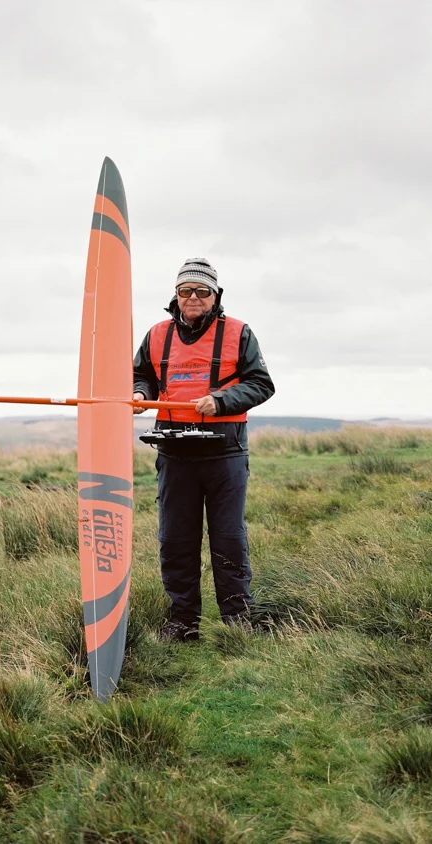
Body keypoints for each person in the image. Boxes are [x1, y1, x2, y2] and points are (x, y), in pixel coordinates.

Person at [132, 257, 275, 642]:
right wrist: (140, 393)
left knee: (228, 538)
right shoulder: (156, 334)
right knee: (176, 539)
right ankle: (182, 622)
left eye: (201, 291)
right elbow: (141, 373)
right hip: (174, 452)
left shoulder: (240, 333)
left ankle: (237, 622)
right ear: (175, 295)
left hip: (224, 453)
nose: (192, 297)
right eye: (184, 291)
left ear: (215, 295)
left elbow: (261, 384)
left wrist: (222, 399)